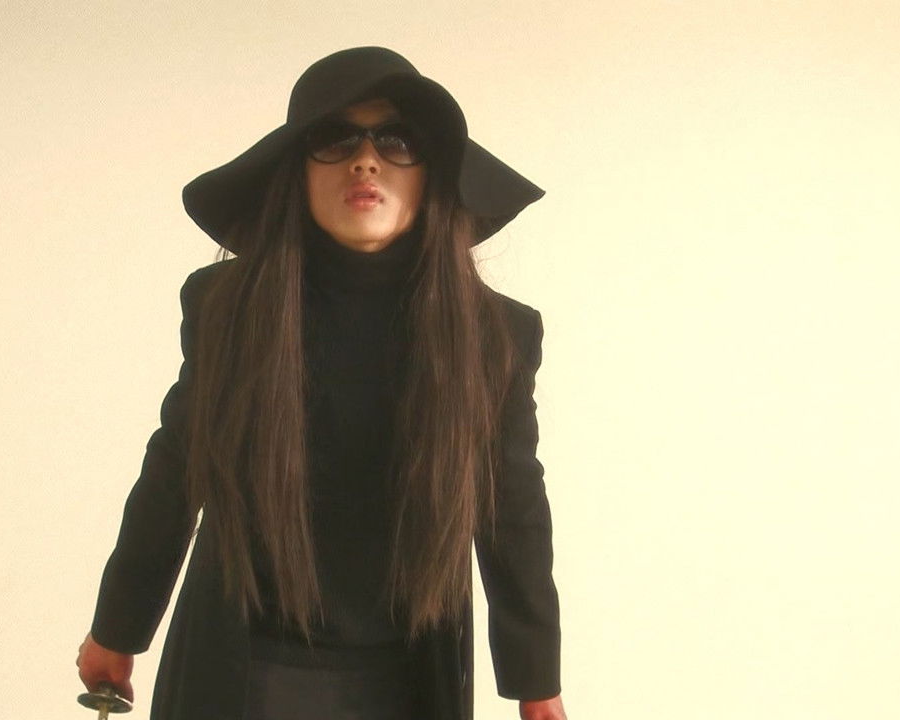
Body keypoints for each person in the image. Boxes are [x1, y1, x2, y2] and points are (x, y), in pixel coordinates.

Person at [75, 46, 566, 720]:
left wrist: (536, 683)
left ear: (433, 174)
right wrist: (118, 629)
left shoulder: (494, 335)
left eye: (397, 141)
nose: (366, 161)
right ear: (297, 172)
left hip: (407, 678)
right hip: (241, 671)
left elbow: (513, 511)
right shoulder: (230, 309)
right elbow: (174, 472)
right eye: (335, 139)